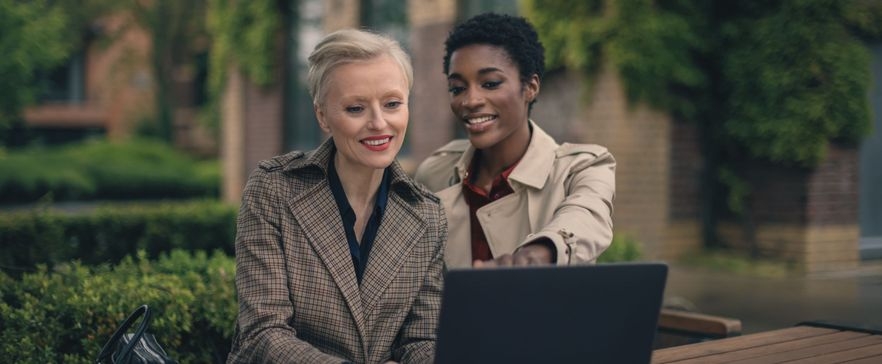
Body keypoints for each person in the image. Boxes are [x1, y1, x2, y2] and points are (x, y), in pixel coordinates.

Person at [228, 29, 446, 364]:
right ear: (322, 116)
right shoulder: (273, 190)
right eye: (356, 108)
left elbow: (422, 339)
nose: (379, 122)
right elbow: (262, 334)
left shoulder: (428, 215)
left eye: (392, 104)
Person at [414, 13, 615, 269]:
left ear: (530, 87)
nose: (470, 100)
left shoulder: (582, 168)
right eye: (457, 88)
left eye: (490, 83)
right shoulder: (435, 173)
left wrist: (537, 253)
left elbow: (585, 218)